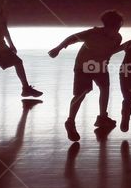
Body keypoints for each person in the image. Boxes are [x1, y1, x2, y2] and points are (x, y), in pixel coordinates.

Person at [48, 10, 124, 142]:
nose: (117, 30)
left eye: (119, 28)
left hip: (100, 66)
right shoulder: (92, 33)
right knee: (80, 94)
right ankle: (70, 122)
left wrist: (122, 49)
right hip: (83, 67)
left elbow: (110, 51)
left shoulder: (118, 38)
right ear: (108, 26)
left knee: (105, 88)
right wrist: (58, 48)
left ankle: (102, 117)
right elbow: (72, 38)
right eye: (116, 27)